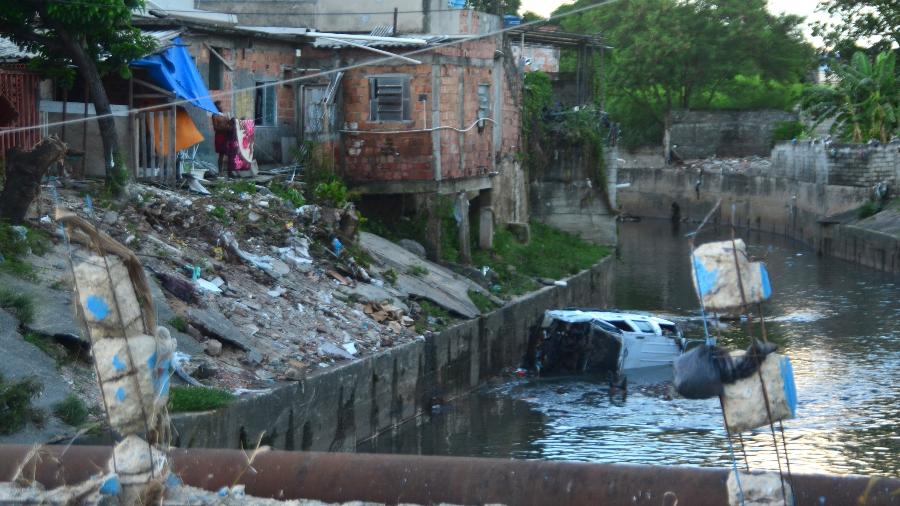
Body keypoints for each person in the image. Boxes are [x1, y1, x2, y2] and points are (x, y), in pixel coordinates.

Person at [211, 101, 233, 175]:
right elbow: (215, 128)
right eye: (220, 106)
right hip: (220, 137)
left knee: (230, 153)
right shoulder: (214, 116)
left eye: (221, 105)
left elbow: (229, 124)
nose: (222, 107)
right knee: (221, 154)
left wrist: (231, 121)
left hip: (227, 136)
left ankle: (230, 171)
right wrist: (226, 128)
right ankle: (220, 171)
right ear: (216, 107)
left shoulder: (225, 115)